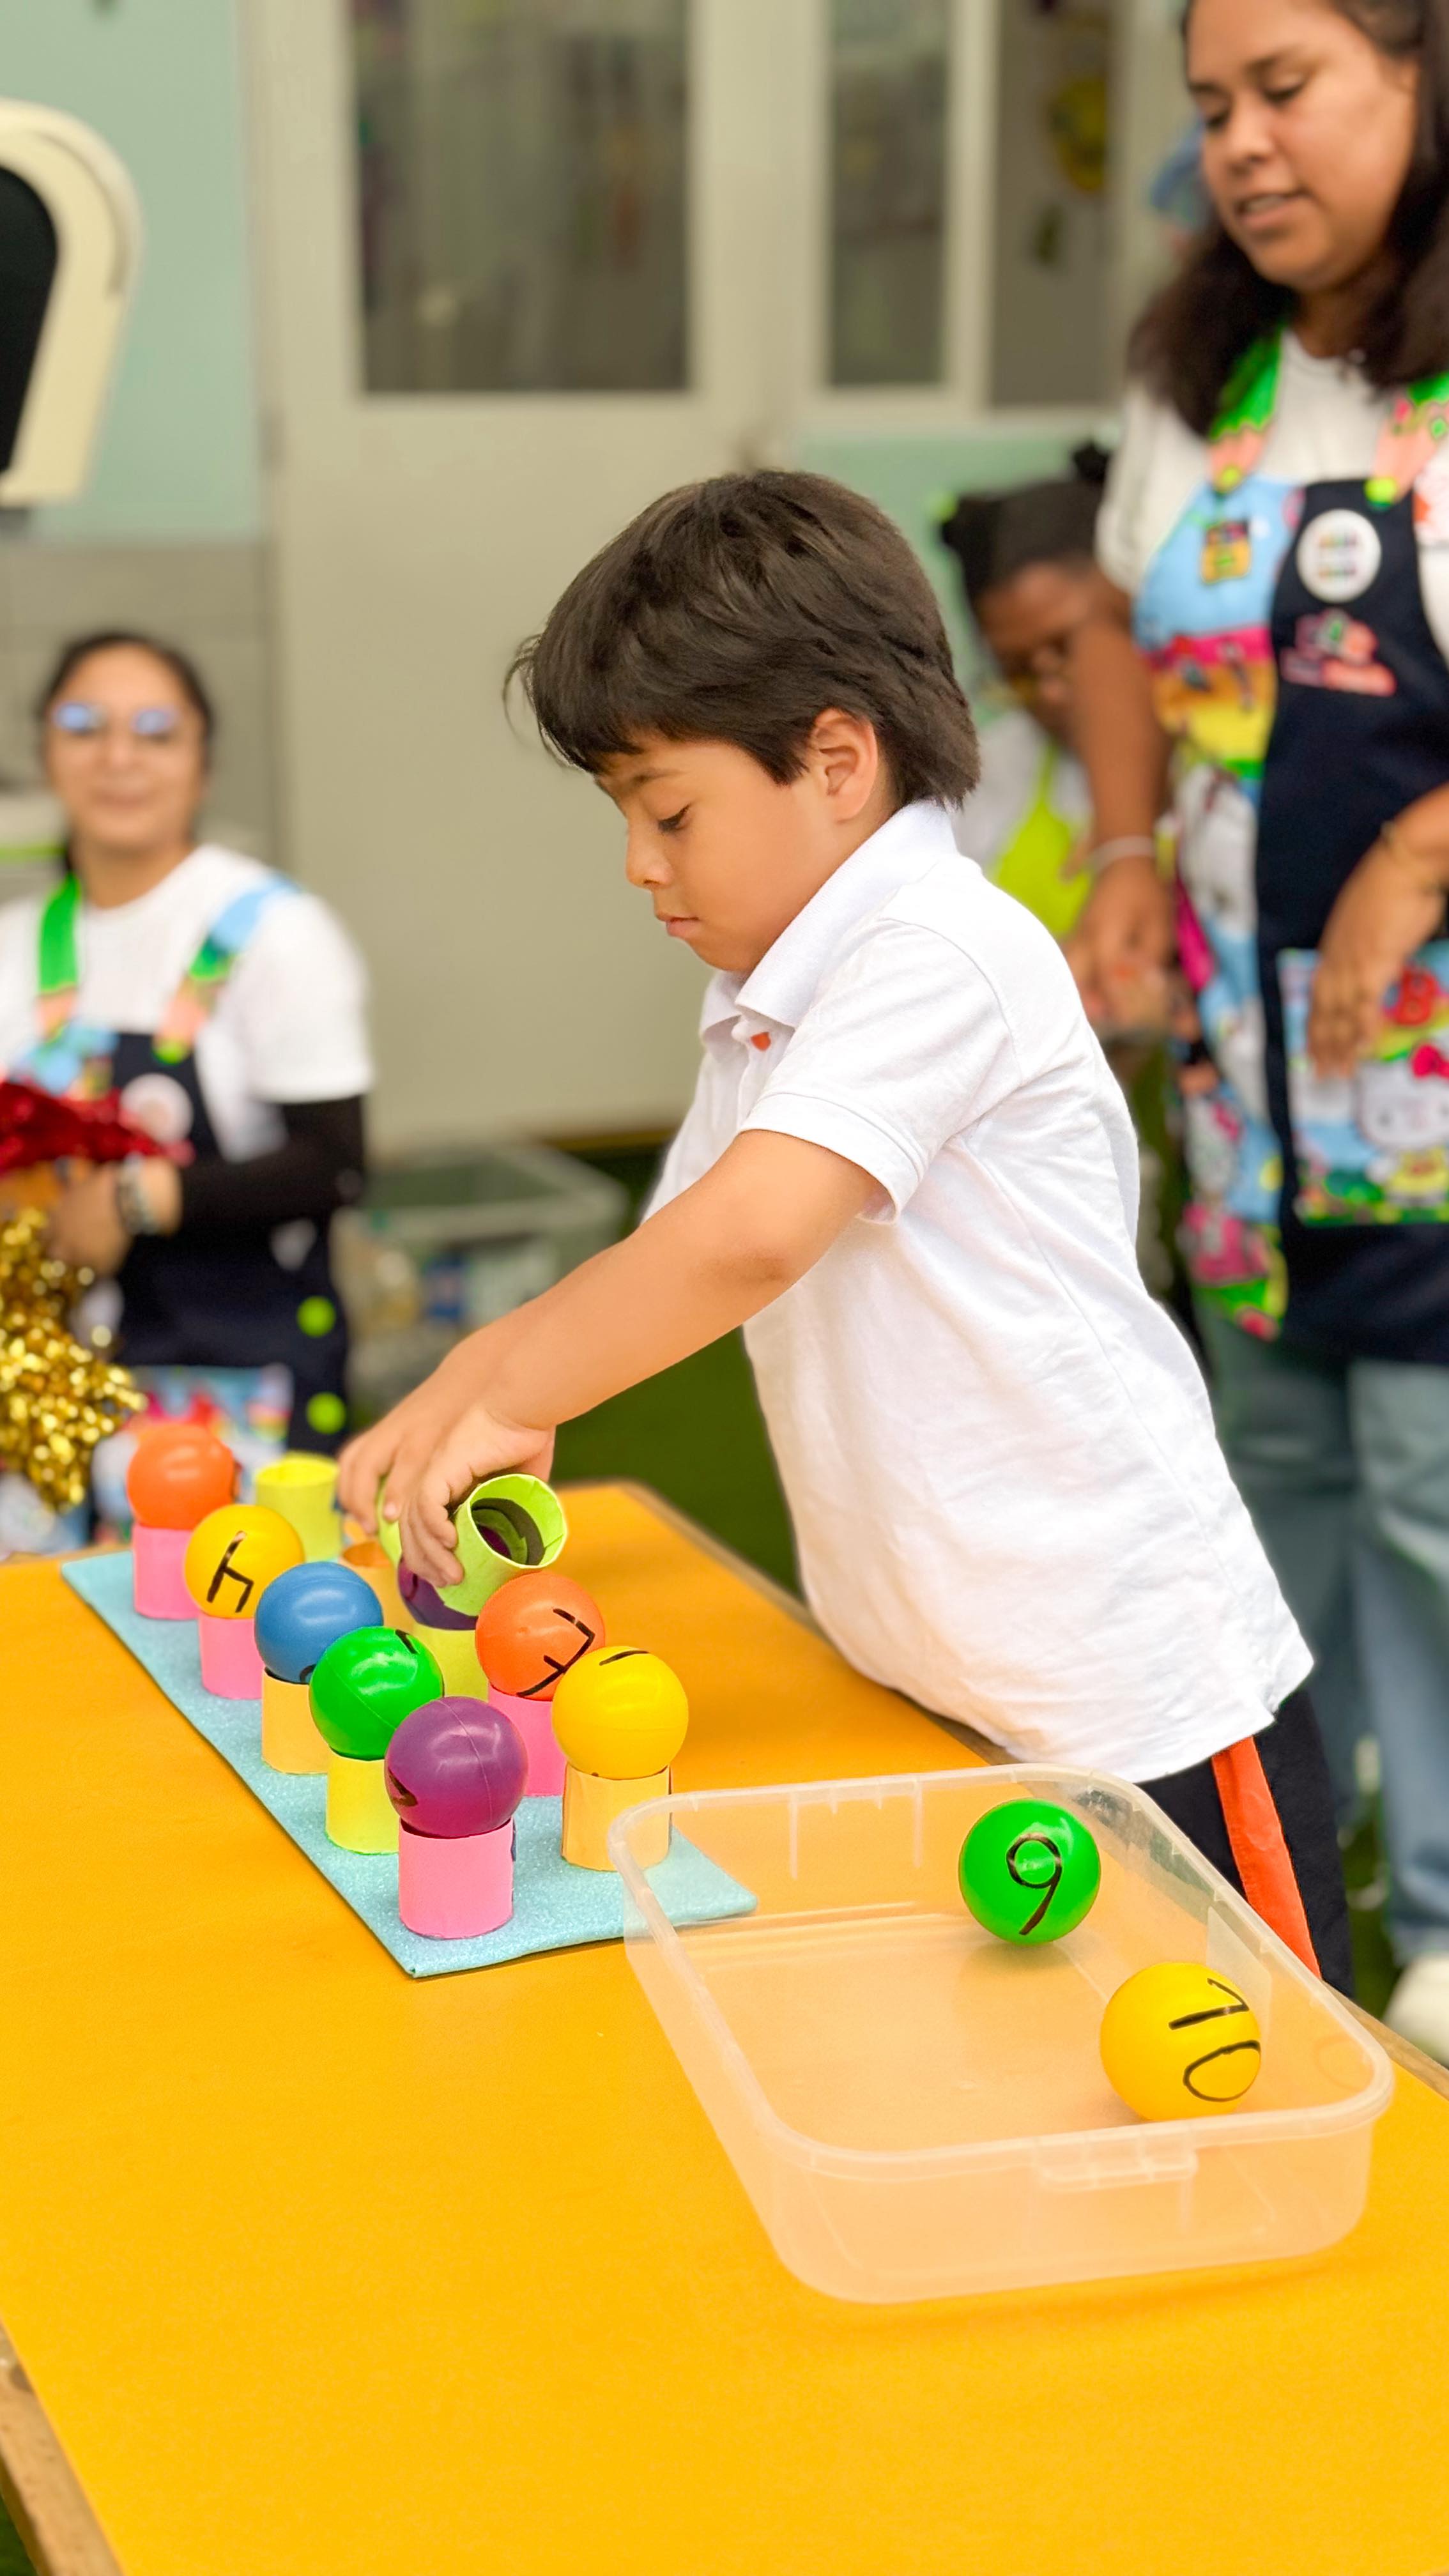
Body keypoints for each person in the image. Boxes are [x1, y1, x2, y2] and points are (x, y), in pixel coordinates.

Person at [339, 468, 1351, 1989]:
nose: (638, 863)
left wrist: (514, 1384)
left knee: (1269, 2091)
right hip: (942, 1677)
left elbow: (750, 1238)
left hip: (1144, 1712)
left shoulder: (936, 948)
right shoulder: (765, 995)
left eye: (668, 810)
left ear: (836, 761)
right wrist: (484, 1379)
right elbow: (668, 1247)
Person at [1066, 0, 1449, 2050]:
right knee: (1267, 1455)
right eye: (1214, 107)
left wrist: (1422, 851)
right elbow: (1128, 621)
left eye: (1287, 91)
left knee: (1435, 1480)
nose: (1241, 144)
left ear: (1425, 78)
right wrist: (1124, 852)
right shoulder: (1206, 378)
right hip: (1244, 1047)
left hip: (1430, 1040)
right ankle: (1272, 1866)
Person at [0, 630, 372, 1495]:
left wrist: (137, 1198)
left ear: (202, 761)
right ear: (47, 751)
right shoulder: (18, 945)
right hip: (46, 1393)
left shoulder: (272, 931)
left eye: (157, 730)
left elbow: (335, 1166)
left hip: (227, 1397)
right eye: (86, 726)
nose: (119, 757)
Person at [937, 449, 1105, 942]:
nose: (1051, 692)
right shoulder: (985, 780)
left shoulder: (1215, 758)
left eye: (1068, 647)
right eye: (1017, 671)